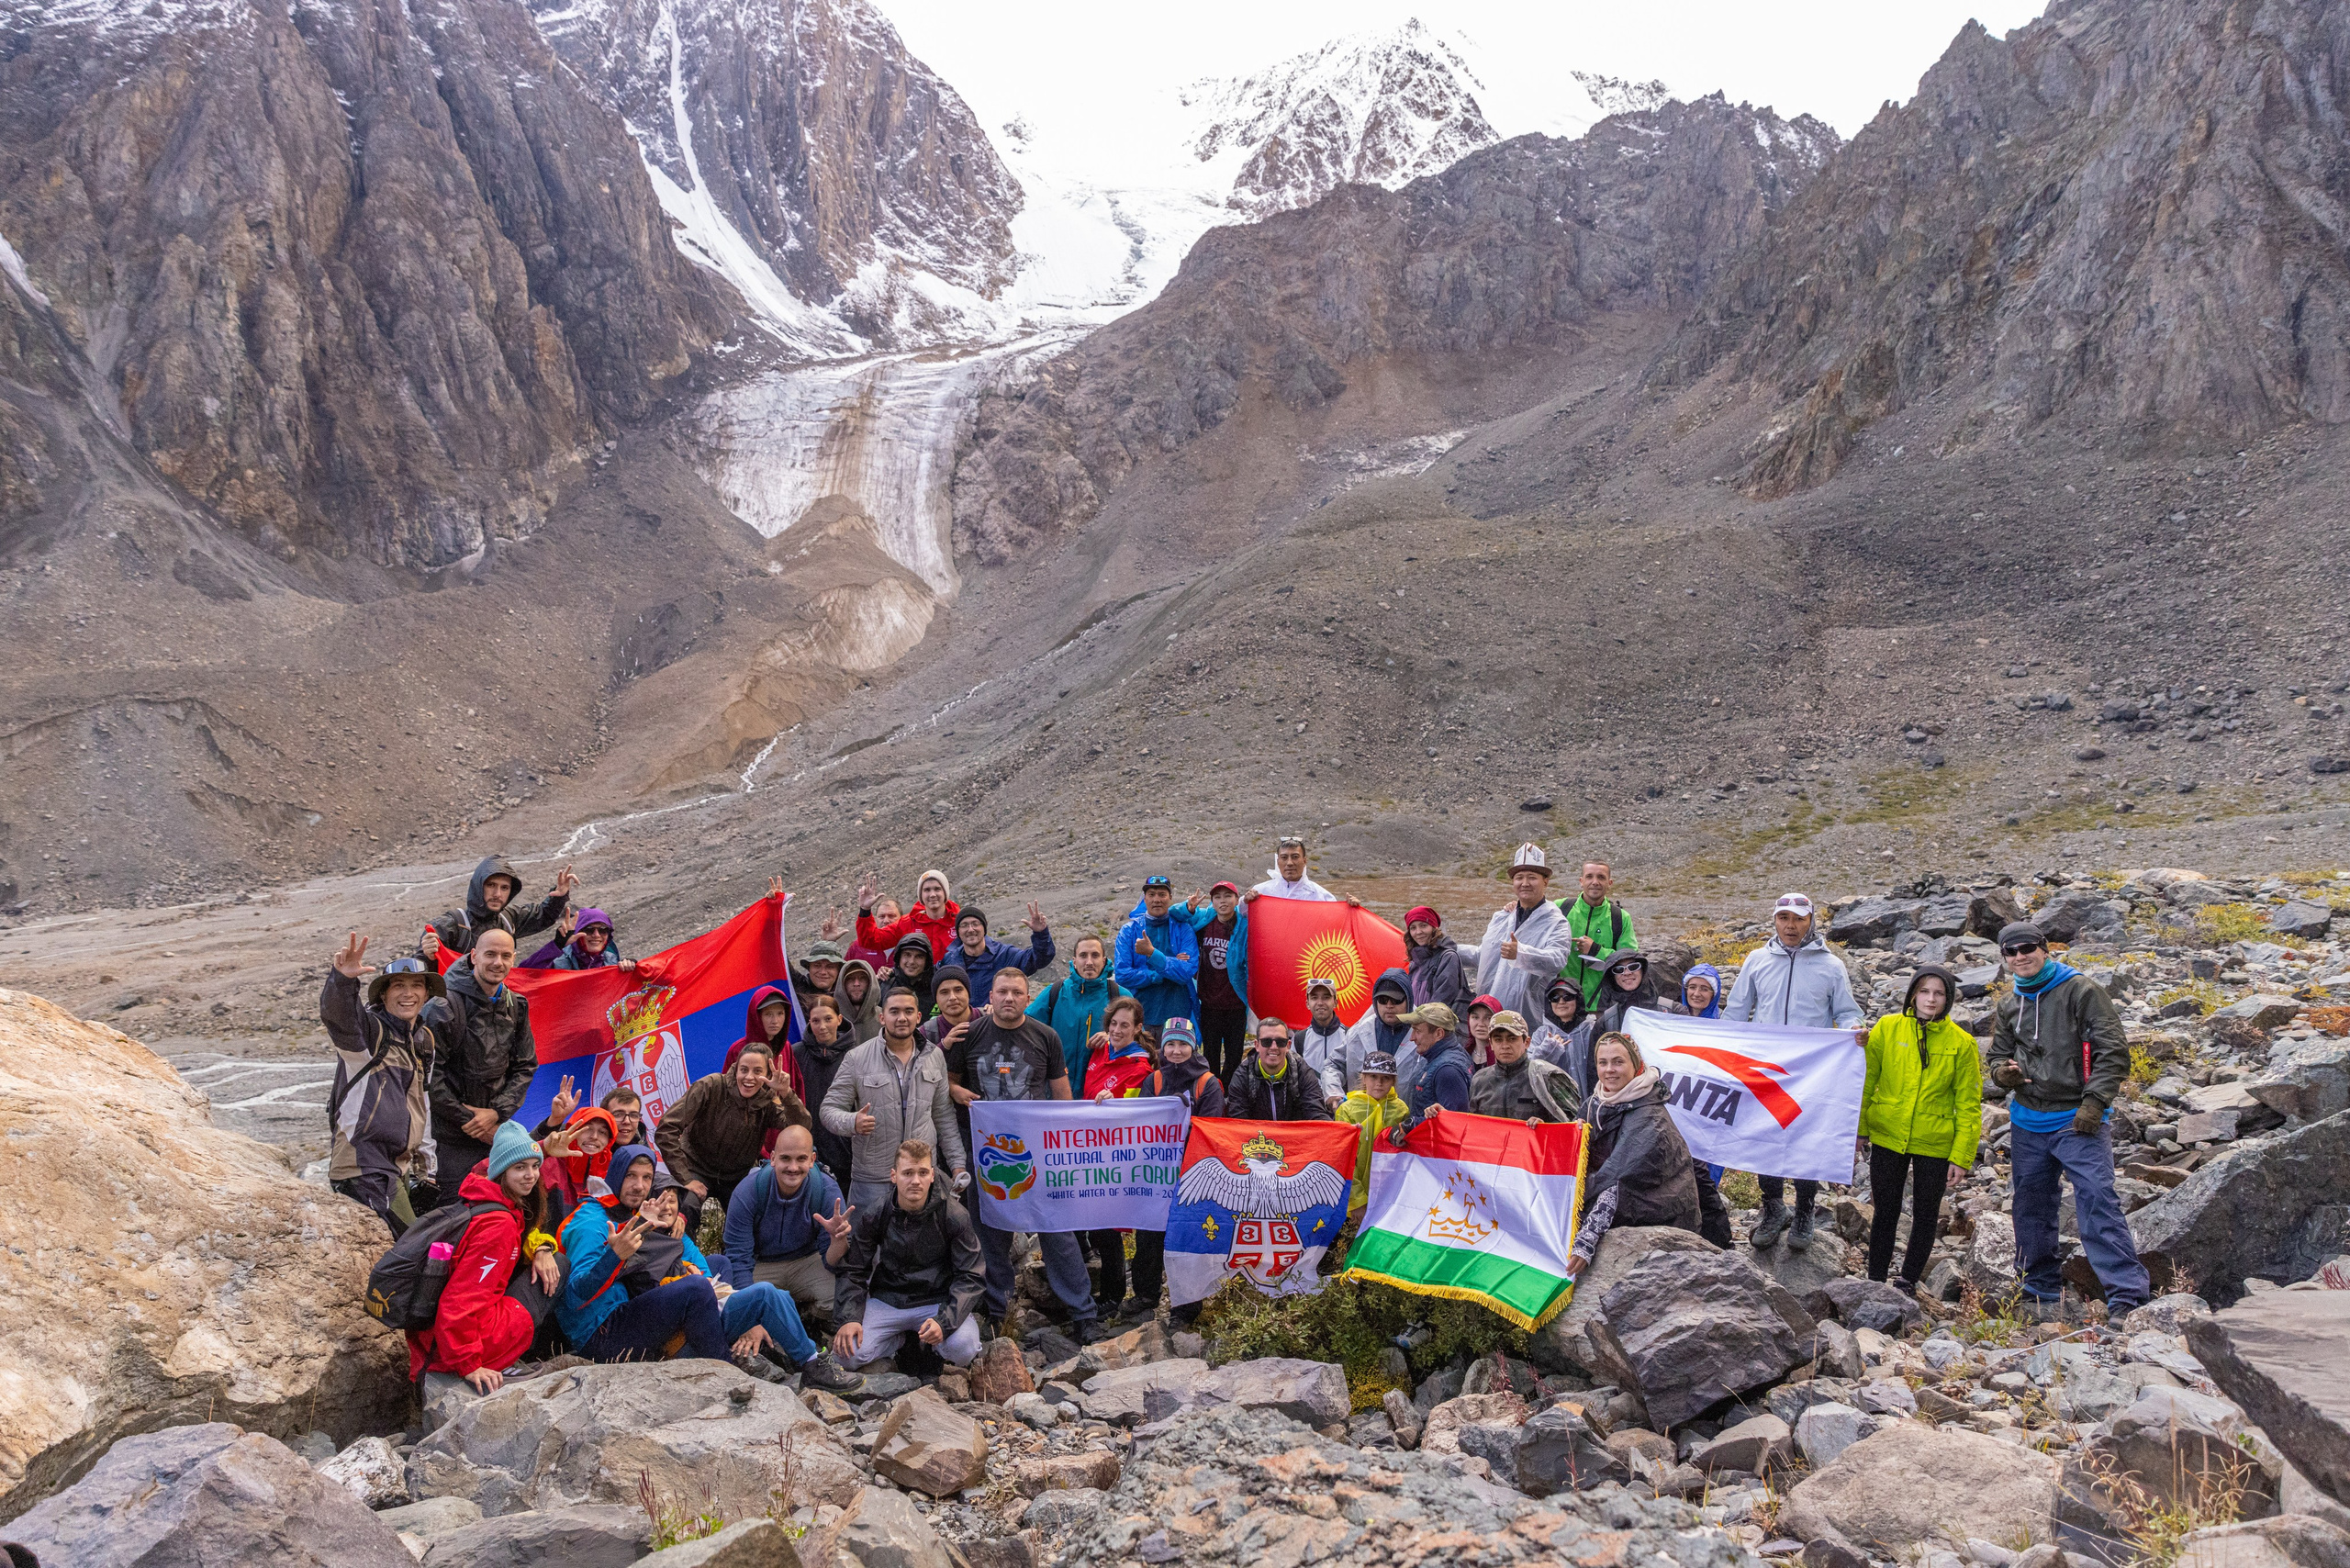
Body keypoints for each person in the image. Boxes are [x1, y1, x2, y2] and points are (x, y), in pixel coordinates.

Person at [560, 1144, 862, 1388]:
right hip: (601, 1333)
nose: (639, 1186)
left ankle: (813, 1364)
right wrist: (615, 1255)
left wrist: (666, 1225)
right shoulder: (591, 1222)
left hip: (639, 1317)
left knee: (769, 1295)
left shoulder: (629, 1214)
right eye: (630, 1176)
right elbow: (577, 1294)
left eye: (647, 1177)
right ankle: (727, 1374)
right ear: (614, 1175)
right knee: (695, 1288)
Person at [1989, 921, 2148, 1318]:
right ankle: (2038, 1289)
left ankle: (2127, 1297)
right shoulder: (2010, 1004)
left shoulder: (2082, 991)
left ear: (2044, 948)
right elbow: (1996, 1056)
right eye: (2011, 951)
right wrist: (2001, 1075)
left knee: (2097, 1199)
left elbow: (2113, 1050)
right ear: (2004, 959)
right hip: (2028, 1120)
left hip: (2077, 1119)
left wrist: (2094, 1105)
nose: (2020, 956)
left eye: (2027, 948)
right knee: (2031, 1205)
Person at [949, 969, 1104, 1341]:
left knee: (1056, 1230)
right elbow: (949, 1082)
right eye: (1002, 992)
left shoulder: (1044, 1036)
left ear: (1026, 996)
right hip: (985, 1151)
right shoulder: (969, 1035)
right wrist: (956, 1091)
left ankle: (1082, 1313)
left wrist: (1066, 1141)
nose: (1009, 998)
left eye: (1017, 993)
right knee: (990, 1234)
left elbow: (1061, 1093)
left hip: (1035, 1152)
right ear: (991, 994)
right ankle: (998, 1310)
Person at [1724, 893, 1864, 1250]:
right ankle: (1773, 1207)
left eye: (1799, 919)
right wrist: (1721, 1051)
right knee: (1766, 1138)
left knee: (1806, 1139)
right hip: (1764, 1068)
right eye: (1784, 917)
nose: (1791, 925)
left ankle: (1804, 1208)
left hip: (1810, 1072)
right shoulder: (1756, 961)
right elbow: (1737, 1012)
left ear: (1811, 922)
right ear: (1774, 920)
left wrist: (1853, 1031)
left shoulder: (1831, 966)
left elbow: (1847, 1012)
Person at [406, 1121, 561, 1390]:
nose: (531, 1176)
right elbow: (460, 1299)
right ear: (501, 1171)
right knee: (560, 1267)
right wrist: (469, 1363)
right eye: (519, 1167)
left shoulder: (482, 1201)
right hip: (459, 1348)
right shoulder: (498, 1225)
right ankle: (503, 1359)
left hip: (435, 1339)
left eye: (535, 1166)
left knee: (550, 1263)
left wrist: (542, 1248)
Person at [1859, 966, 1981, 1291]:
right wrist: (1859, 1130)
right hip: (1887, 1132)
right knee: (1886, 1209)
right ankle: (1874, 1279)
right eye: (1924, 992)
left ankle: (1908, 1280)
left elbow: (1968, 1103)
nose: (1931, 999)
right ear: (1913, 994)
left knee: (1926, 1214)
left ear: (1948, 999)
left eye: (1939, 993)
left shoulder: (1962, 1043)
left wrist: (1962, 1156)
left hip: (1935, 1140)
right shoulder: (1887, 1028)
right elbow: (1866, 1080)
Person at [320, 934, 443, 1236]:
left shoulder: (423, 1041)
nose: (408, 994)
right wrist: (343, 981)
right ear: (383, 995)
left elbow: (421, 1104)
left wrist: (428, 1165)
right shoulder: (370, 1035)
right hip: (362, 1167)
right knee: (413, 1244)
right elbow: (341, 1019)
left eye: (417, 986)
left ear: (426, 994)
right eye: (398, 986)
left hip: (397, 1167)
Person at [833, 1140, 988, 1370]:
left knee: (963, 1349)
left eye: (923, 1172)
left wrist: (945, 1323)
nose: (916, 1181)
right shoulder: (877, 1212)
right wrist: (850, 1318)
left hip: (937, 1300)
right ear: (894, 1176)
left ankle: (935, 1348)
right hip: (889, 1298)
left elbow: (971, 1275)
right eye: (908, 1173)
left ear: (932, 1175)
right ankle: (899, 1341)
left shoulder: (954, 1215)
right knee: (846, 1356)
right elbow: (854, 1269)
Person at [822, 988, 968, 1220]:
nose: (902, 1018)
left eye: (909, 1011)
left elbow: (943, 1115)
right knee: (866, 1249)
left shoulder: (934, 1056)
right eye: (895, 1011)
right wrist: (853, 1122)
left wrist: (957, 1163)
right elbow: (828, 1110)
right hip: (873, 1178)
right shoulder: (857, 1058)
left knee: (921, 1249)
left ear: (919, 1017)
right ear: (882, 1017)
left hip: (920, 1176)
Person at [1567, 1033, 1703, 1275]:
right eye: (1602, 1062)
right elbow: (1572, 1155)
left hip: (1659, 1212)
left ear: (1636, 1065)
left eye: (1618, 1062)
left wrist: (1587, 1238)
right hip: (1612, 1194)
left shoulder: (1650, 1117)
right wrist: (1546, 1131)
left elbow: (1617, 1179)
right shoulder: (1594, 1104)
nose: (1610, 1070)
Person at [424, 927, 537, 1209]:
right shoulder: (443, 1007)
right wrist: (470, 1121)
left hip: (496, 1134)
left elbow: (525, 1065)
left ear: (513, 960)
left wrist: (496, 1113)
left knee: (502, 1211)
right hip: (449, 1139)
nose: (497, 962)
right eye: (490, 954)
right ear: (474, 957)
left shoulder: (516, 1005)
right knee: (454, 1214)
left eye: (505, 955)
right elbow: (429, 1075)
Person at [653, 1041, 812, 1228]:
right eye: (744, 1070)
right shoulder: (711, 1086)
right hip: (695, 1167)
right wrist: (685, 1178)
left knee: (753, 1214)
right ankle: (687, 1256)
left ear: (768, 1076)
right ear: (736, 1069)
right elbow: (666, 1128)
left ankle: (742, 1257)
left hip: (737, 1176)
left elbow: (801, 1128)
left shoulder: (767, 1102)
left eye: (757, 1071)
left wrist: (786, 1093)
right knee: (686, 1206)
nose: (749, 1077)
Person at [1130, 1021, 1221, 1324]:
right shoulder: (1154, 1080)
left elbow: (1213, 1131)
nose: (1177, 1051)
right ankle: (1145, 1295)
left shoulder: (1208, 1083)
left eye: (1183, 1044)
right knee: (1148, 1235)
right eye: (1171, 1045)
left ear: (1193, 1047)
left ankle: (1186, 1307)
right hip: (1157, 1173)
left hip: (1192, 1175)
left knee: (1186, 1239)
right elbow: (1141, 1122)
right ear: (1162, 1048)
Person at [722, 1125, 856, 1330]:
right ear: (773, 1158)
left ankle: (810, 1319)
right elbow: (739, 1258)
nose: (793, 1167)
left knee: (841, 1295)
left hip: (807, 1262)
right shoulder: (748, 1191)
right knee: (730, 1295)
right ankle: (770, 1325)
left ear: (812, 1160)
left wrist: (838, 1241)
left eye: (801, 1159)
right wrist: (750, 1320)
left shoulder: (827, 1190)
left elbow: (833, 1264)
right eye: (785, 1158)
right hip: (761, 1265)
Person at [1474, 845, 1574, 1024]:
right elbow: (1483, 956)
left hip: (1528, 1017)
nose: (1525, 883)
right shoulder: (1502, 918)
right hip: (1488, 1014)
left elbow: (1557, 960)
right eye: (1519, 877)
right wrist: (1445, 946)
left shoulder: (1556, 922)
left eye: (1532, 877)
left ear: (1545, 881)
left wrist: (1520, 953)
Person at [429, 854, 576, 958]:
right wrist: (428, 956)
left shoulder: (508, 918)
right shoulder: (450, 925)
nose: (497, 894)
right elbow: (419, 979)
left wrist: (559, 895)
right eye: (491, 885)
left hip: (496, 999)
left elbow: (543, 915)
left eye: (504, 888)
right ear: (478, 886)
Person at [1027, 935, 1123, 1092]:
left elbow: (1139, 1042)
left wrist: (1115, 1038)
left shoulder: (1119, 995)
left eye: (1095, 955)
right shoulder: (1055, 992)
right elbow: (1025, 1028)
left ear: (1104, 960)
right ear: (1074, 961)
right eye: (1083, 956)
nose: (1089, 962)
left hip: (1102, 1094)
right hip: (1057, 1092)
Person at [1179, 884, 1250, 1081]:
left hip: (1235, 1004)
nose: (1223, 901)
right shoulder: (1204, 922)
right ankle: (1212, 1093)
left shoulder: (1244, 925)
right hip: (1209, 1004)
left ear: (1237, 900)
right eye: (1217, 897)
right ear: (1212, 902)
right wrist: (1189, 907)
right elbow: (1176, 915)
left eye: (1228, 896)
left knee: (1234, 1057)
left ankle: (1230, 1095)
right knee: (1209, 1055)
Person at [1114, 876, 1199, 1032]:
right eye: (1151, 894)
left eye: (1162, 894)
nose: (1156, 899)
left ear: (1170, 898)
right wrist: (1162, 972)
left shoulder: (1184, 930)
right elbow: (1122, 975)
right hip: (1139, 1016)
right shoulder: (1128, 931)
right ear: (1144, 898)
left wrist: (1152, 954)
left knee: (1177, 1056)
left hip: (1178, 1016)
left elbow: (1187, 972)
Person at [1469, 1011, 1582, 1125]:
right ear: (1491, 1044)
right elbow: (1473, 1127)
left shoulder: (1547, 1077)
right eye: (1498, 1039)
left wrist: (1545, 1128)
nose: (1505, 1046)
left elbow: (1575, 1125)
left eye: (1512, 1039)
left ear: (1527, 1042)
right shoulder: (1479, 1081)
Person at [794, 993, 858, 1190]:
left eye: (828, 1019)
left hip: (843, 1148)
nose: (822, 1026)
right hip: (807, 1144)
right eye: (815, 1021)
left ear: (839, 1020)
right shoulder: (796, 1053)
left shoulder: (855, 1055)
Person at [1385, 1003, 1472, 1145]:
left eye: (1417, 1031)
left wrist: (1411, 1125)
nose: (1412, 1038)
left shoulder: (1447, 1070)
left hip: (1436, 1157)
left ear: (1438, 1034)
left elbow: (1453, 1124)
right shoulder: (1443, 1055)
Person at [1335, 1051, 1407, 1217]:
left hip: (1388, 1197)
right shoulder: (1347, 1109)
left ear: (1393, 1081)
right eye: (1373, 1076)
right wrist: (1356, 1201)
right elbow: (1343, 1158)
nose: (1379, 1083)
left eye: (1386, 1078)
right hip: (1352, 1202)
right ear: (1364, 1078)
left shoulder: (1401, 1109)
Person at [1326, 969, 1414, 1107]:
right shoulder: (1359, 1032)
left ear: (1409, 999)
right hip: (1361, 1119)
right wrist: (1333, 1092)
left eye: (1396, 1000)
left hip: (1406, 1121)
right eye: (1383, 1000)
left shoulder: (1425, 1032)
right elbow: (1332, 1064)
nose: (1389, 1006)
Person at [1225, 1017, 1336, 1121]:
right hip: (1257, 1139)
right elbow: (1237, 1121)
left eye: (1280, 1042)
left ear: (1288, 1045)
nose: (1274, 1047)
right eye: (1266, 1042)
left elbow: (1316, 1114)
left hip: (1295, 1139)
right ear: (1257, 1045)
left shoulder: (1302, 1071)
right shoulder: (1242, 1075)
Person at [1560, 861, 1637, 1009]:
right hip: (1560, 1004)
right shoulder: (1561, 908)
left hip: (1602, 1007)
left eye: (1601, 877)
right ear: (1581, 881)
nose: (1595, 882)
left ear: (1610, 883)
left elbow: (1630, 961)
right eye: (1589, 877)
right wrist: (1513, 907)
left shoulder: (1620, 917)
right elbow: (1533, 913)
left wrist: (1596, 950)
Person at [946, 903, 1056, 1008]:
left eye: (975, 924)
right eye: (964, 925)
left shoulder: (1006, 955)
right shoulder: (950, 960)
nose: (970, 929)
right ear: (958, 931)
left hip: (998, 1024)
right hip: (962, 1025)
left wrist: (1041, 934)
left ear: (984, 928)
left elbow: (1039, 959)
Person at [856, 870, 961, 969]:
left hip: (952, 984)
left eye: (937, 889)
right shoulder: (908, 923)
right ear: (921, 895)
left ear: (945, 893)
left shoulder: (960, 922)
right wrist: (865, 910)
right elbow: (872, 940)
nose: (932, 894)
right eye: (927, 890)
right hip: (919, 986)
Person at [722, 985, 808, 1105]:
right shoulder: (738, 1049)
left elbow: (795, 1086)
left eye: (780, 1013)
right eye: (768, 1014)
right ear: (757, 1016)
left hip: (782, 1121)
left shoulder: (786, 1046)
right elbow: (726, 1093)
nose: (775, 1021)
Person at [543, 1104, 618, 1225]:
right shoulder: (551, 1164)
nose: (594, 1137)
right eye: (587, 1129)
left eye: (603, 1132)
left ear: (609, 1140)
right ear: (573, 1130)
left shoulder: (614, 1174)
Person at [1531, 979, 1599, 1100]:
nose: (1561, 1002)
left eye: (1567, 997)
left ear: (1577, 1000)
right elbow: (1530, 1068)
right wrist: (1547, 1050)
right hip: (1555, 1104)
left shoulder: (1593, 1029)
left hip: (1593, 1101)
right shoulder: (1542, 1034)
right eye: (1555, 998)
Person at [1294, 977, 1355, 1104]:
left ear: (1335, 1002)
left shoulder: (1351, 1036)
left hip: (1343, 1109)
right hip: (1310, 1110)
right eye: (1314, 998)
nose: (1320, 1002)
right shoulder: (1300, 1039)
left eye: (1326, 997)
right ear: (1307, 1003)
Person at [1081, 998, 1158, 1101]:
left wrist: (1113, 1103)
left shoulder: (1140, 1071)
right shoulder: (1101, 1048)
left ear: (1137, 1028)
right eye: (1113, 1023)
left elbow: (1133, 1113)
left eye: (1124, 1025)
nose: (1116, 1030)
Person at [1403, 906, 1472, 1016]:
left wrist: (1423, 1023)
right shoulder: (1415, 962)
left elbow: (1443, 1000)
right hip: (1418, 1026)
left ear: (1434, 928)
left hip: (1437, 1026)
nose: (1418, 932)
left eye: (1423, 926)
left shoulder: (1448, 958)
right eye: (1413, 928)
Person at [1594, 949, 1682, 1036]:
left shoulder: (1674, 1011)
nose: (1627, 973)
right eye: (1619, 969)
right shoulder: (1605, 1022)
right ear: (1612, 977)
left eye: (1633, 967)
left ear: (1643, 971)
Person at [520, 907, 627, 970]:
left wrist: (632, 968)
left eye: (603, 930)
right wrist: (556, 945)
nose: (596, 935)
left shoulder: (613, 962)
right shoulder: (558, 962)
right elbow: (524, 973)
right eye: (589, 930)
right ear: (577, 932)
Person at [1246, 834, 1344, 902]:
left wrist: (1353, 909)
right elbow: (1239, 916)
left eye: (1295, 857)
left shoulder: (1322, 897)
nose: (1289, 863)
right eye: (1284, 858)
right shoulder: (1261, 892)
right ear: (1278, 861)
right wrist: (1245, 902)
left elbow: (1337, 923)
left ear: (1304, 861)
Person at [880, 933, 939, 1019]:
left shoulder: (936, 987)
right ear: (899, 957)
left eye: (919, 956)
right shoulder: (884, 984)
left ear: (927, 961)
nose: (912, 961)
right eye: (907, 955)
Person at [792, 938, 847, 1021]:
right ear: (808, 968)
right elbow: (777, 953)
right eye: (817, 965)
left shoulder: (848, 997)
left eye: (830, 967)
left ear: (839, 971)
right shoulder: (795, 987)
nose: (823, 972)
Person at [845, 898, 900, 973]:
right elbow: (842, 974)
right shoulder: (858, 947)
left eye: (891, 916)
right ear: (875, 919)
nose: (886, 921)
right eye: (882, 916)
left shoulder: (910, 945)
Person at [834, 958, 880, 1044]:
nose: (856, 984)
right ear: (842, 983)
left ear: (870, 982)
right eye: (850, 979)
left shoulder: (884, 1018)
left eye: (862, 978)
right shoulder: (831, 1019)